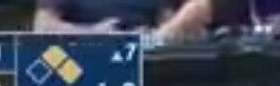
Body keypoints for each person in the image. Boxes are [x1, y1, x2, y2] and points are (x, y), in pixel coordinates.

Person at [34, 0, 176, 32]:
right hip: (85, 55)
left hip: (142, 61)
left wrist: (153, 37)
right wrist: (92, 32)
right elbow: (43, 26)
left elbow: (169, 24)